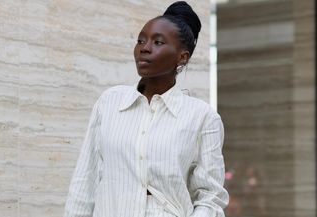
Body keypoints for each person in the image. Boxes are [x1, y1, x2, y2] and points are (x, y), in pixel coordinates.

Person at [63, 1, 229, 217]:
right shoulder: (109, 103)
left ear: (182, 57)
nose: (145, 48)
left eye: (158, 42)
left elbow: (210, 196)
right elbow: (85, 179)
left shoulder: (202, 117)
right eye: (141, 40)